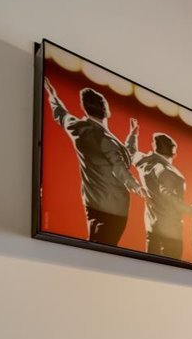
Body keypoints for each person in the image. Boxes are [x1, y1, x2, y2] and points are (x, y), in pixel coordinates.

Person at [44, 79, 142, 246]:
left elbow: (61, 114)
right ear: (105, 109)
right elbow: (120, 167)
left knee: (97, 248)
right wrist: (137, 187)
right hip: (114, 209)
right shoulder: (105, 139)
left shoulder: (78, 128)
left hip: (92, 202)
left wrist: (52, 95)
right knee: (104, 249)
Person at [132, 132, 192, 259]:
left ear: (154, 146)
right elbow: (169, 198)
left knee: (151, 269)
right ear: (173, 152)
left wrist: (133, 135)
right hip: (170, 232)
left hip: (152, 227)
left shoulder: (143, 161)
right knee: (171, 272)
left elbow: (131, 152)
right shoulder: (165, 171)